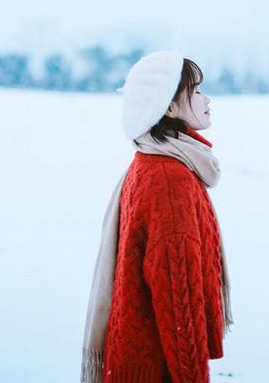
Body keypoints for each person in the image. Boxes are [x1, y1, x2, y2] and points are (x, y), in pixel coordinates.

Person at [80, 50, 234, 383]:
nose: (207, 99)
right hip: (156, 367)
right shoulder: (169, 179)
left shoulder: (150, 160)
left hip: (137, 358)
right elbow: (180, 304)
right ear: (168, 106)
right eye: (195, 91)